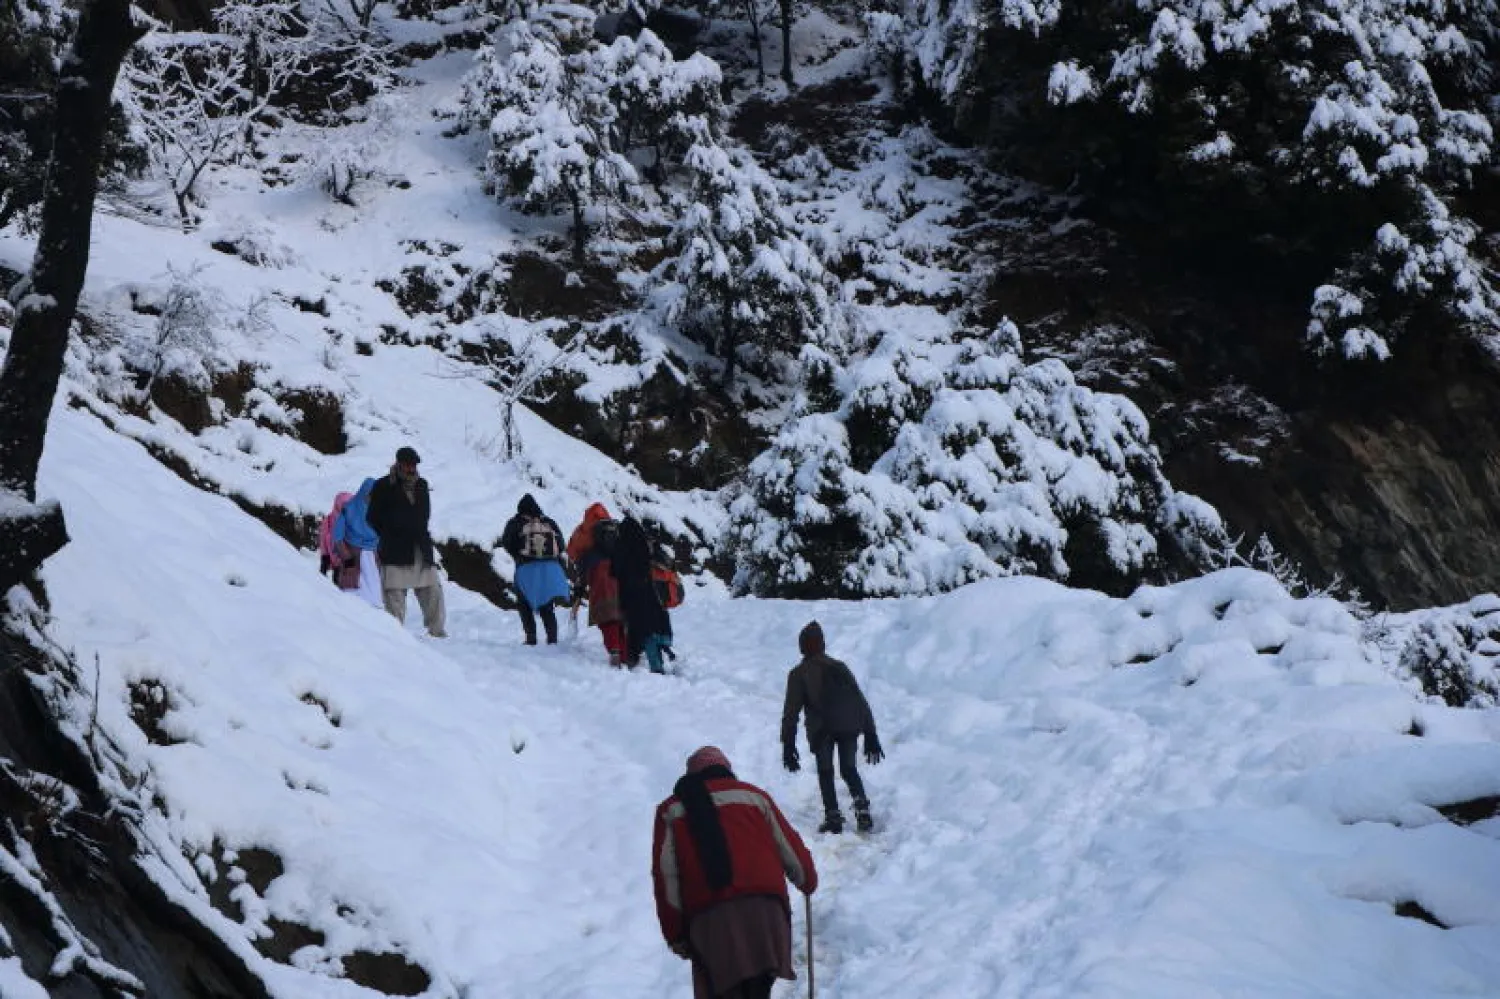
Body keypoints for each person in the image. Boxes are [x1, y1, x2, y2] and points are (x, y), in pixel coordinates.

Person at [652, 746, 817, 999]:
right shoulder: (754, 797)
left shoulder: (672, 810)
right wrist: (807, 880)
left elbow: (666, 876)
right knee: (759, 989)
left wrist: (675, 932)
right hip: (766, 914)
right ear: (727, 770)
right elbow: (790, 847)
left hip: (711, 920)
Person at [781, 621, 884, 834]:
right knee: (849, 769)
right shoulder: (840, 667)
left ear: (802, 647)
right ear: (822, 644)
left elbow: (791, 713)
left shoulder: (799, 674)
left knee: (826, 771)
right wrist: (870, 734)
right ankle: (862, 809)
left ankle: (833, 816)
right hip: (849, 726)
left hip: (822, 730)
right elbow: (860, 701)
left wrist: (788, 745)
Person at [365, 446, 447, 638]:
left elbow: (424, 514)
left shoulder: (422, 485)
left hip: (420, 545)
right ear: (399, 464)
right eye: (408, 465)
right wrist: (388, 531)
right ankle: (395, 636)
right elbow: (372, 516)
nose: (412, 469)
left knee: (432, 589)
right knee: (394, 594)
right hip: (394, 547)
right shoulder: (383, 486)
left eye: (414, 465)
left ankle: (437, 631)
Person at [499, 494, 570, 645]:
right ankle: (552, 639)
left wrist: (518, 555)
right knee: (546, 604)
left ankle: (531, 637)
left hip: (525, 568)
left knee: (524, 603)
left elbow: (506, 543)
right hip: (549, 569)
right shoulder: (548, 522)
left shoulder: (515, 522)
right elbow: (561, 545)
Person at [611, 515, 673, 673]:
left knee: (638, 628)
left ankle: (641, 660)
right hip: (649, 591)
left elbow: (615, 571)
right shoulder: (644, 544)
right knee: (653, 625)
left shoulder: (621, 545)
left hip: (629, 594)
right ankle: (663, 651)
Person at [566, 502, 625, 666]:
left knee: (606, 617)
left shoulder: (586, 537)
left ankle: (614, 649)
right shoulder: (616, 532)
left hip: (600, 579)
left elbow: (582, 567)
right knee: (622, 616)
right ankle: (626, 654)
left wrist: (579, 589)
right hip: (621, 576)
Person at [331, 477, 383, 609]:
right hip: (353, 553)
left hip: (372, 556)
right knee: (352, 588)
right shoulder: (349, 508)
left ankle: (373, 612)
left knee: (374, 587)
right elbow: (337, 534)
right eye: (370, 494)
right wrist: (346, 556)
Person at [317, 491, 355, 585]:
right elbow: (323, 539)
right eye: (343, 505)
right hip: (336, 563)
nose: (345, 508)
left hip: (351, 564)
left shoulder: (354, 521)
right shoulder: (329, 520)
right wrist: (325, 557)